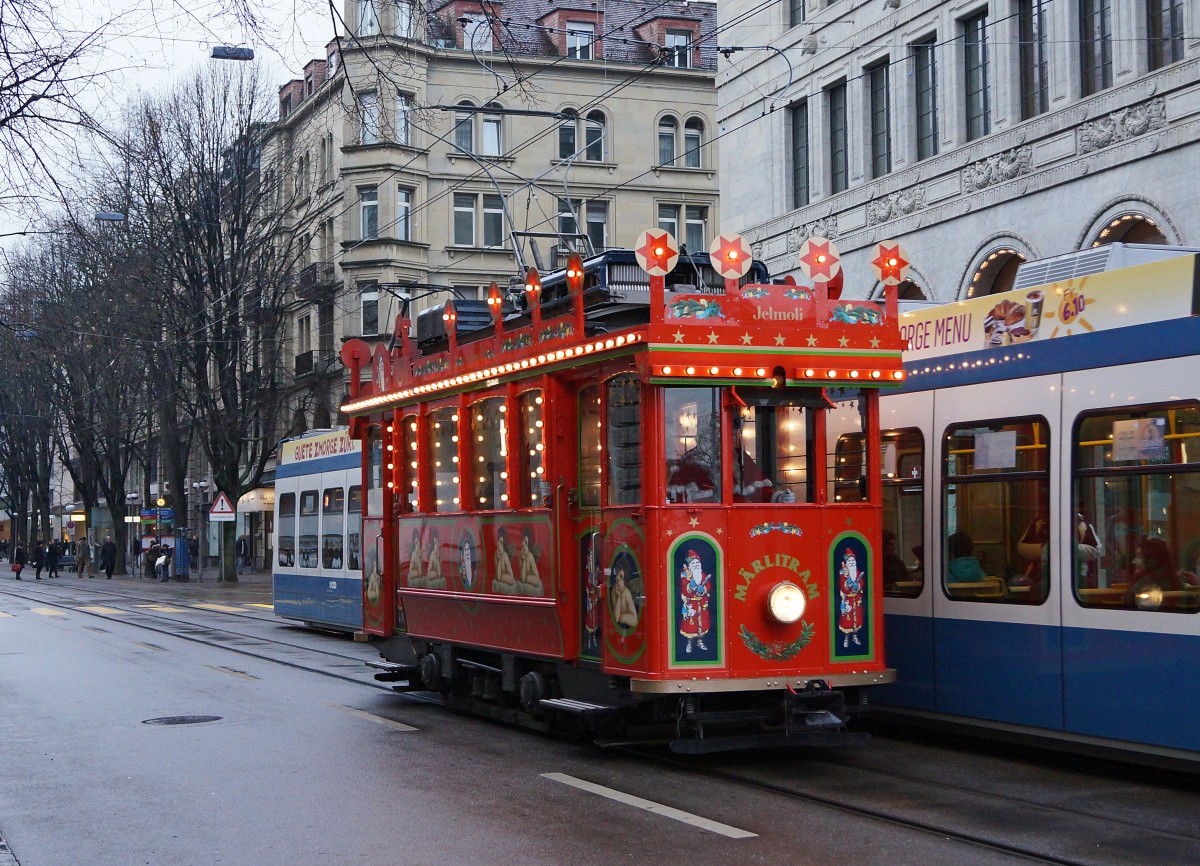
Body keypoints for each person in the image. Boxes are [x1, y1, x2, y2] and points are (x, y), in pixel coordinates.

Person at [678, 550, 711, 653]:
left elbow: (708, 585)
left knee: (703, 623)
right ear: (689, 565)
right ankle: (689, 642)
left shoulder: (703, 574)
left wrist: (704, 589)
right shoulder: (685, 575)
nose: (696, 565)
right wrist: (690, 586)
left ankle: (700, 641)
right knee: (690, 625)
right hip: (691, 605)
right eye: (693, 563)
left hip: (702, 604)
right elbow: (684, 589)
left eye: (697, 563)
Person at [610, 564, 639, 630]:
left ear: (625, 580)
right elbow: (616, 619)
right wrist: (619, 598)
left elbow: (635, 620)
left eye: (621, 577)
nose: (617, 578)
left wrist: (627, 618)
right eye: (617, 575)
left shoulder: (627, 593)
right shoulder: (614, 590)